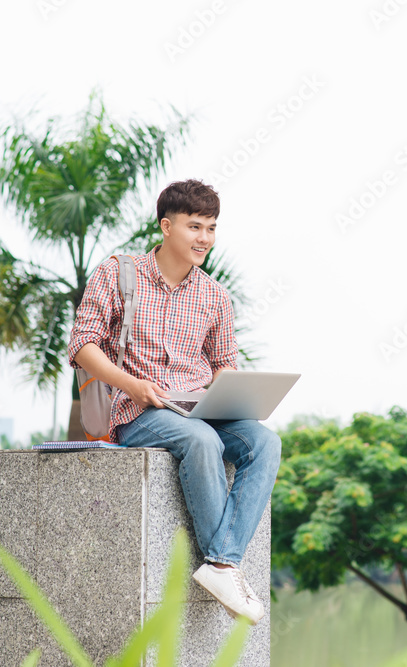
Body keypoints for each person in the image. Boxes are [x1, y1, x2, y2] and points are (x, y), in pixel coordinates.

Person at [67, 179, 280, 625]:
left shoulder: (215, 295)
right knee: (201, 440)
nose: (205, 238)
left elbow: (224, 362)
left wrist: (224, 392)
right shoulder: (118, 273)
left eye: (212, 228)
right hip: (138, 408)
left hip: (199, 405)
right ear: (166, 226)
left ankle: (222, 563)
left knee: (265, 442)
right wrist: (133, 384)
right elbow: (83, 345)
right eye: (195, 226)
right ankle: (225, 565)